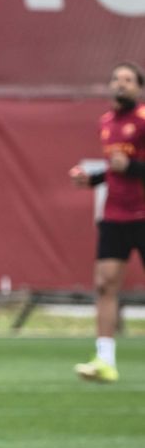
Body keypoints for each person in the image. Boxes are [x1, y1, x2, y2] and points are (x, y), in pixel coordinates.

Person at [69, 61, 145, 383]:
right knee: (104, 284)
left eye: (128, 79)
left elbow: (128, 167)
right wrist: (94, 178)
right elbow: (115, 169)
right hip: (115, 214)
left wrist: (132, 167)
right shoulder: (106, 122)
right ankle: (104, 360)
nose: (121, 84)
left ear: (139, 87)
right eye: (116, 78)